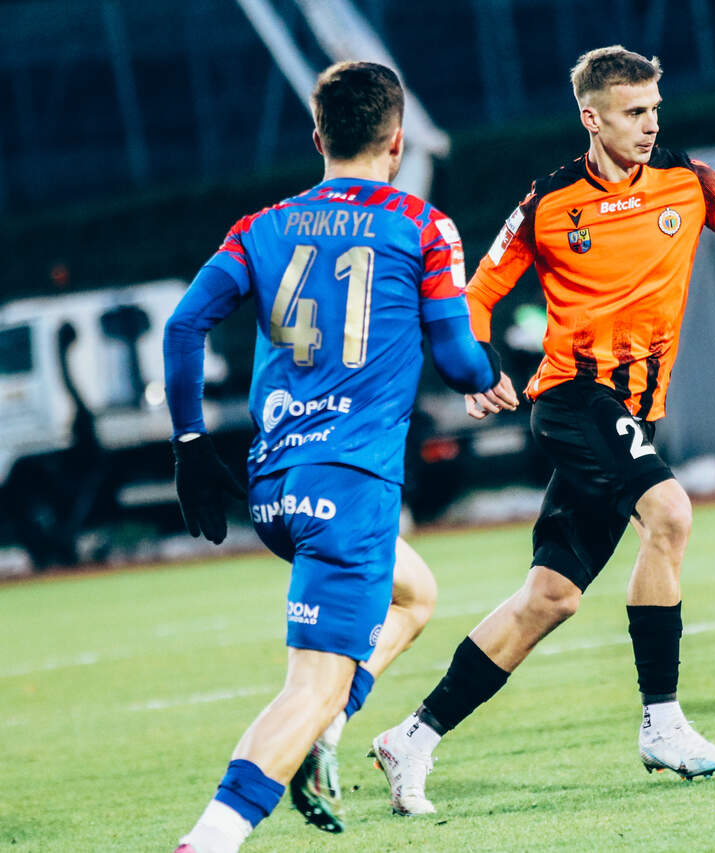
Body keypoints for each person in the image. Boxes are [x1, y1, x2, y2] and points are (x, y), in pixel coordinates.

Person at [366, 44, 715, 815]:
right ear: (592, 118)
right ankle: (662, 722)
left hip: (633, 418)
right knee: (670, 513)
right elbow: (477, 295)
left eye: (654, 110)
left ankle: (412, 736)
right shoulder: (548, 202)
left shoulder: (691, 182)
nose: (650, 125)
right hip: (574, 400)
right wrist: (478, 367)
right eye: (634, 112)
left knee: (550, 597)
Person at [165, 61, 516, 853]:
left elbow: (184, 325)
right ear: (398, 142)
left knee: (415, 595)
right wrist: (489, 372)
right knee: (311, 684)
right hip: (349, 485)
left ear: (318, 136)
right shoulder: (421, 224)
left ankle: (325, 733)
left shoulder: (262, 225)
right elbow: (459, 360)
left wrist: (189, 444)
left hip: (274, 486)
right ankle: (210, 838)